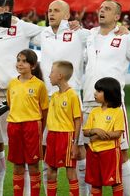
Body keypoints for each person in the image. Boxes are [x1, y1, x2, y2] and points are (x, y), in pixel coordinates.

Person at [0, 0, 43, 196]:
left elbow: (51, 37)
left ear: (6, 8)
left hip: (18, 95)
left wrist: (70, 27)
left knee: (23, 151)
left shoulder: (23, 27)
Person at [81, 0, 130, 196]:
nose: (101, 11)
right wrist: (71, 24)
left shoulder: (125, 38)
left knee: (122, 153)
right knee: (90, 152)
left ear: (117, 16)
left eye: (107, 9)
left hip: (114, 105)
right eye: (100, 8)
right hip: (89, 103)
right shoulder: (89, 36)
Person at [37, 0, 89, 194]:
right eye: (49, 10)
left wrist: (122, 30)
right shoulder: (43, 33)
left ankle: (83, 192)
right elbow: (18, 27)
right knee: (46, 151)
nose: (51, 13)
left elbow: (100, 34)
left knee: (79, 150)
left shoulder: (78, 33)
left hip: (70, 98)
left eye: (56, 10)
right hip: (49, 100)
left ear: (67, 15)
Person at [6, 49, 49, 196]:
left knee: (33, 165)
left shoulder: (39, 85)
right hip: (14, 126)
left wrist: (40, 129)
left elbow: (44, 111)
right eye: (18, 60)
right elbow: (11, 105)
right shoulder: (12, 83)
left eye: (24, 61)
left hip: (32, 126)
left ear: (33, 65)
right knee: (17, 165)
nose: (20, 64)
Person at [82, 77, 125, 196]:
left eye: (99, 91)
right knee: (95, 183)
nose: (95, 93)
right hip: (93, 152)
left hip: (110, 152)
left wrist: (98, 136)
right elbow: (85, 131)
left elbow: (117, 133)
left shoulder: (117, 112)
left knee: (115, 182)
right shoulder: (94, 111)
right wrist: (95, 131)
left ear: (109, 93)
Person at [45, 60, 82, 196]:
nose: (49, 75)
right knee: (50, 171)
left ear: (60, 75)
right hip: (52, 136)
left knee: (70, 172)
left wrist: (75, 143)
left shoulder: (72, 95)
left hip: (66, 137)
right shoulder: (54, 96)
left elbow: (78, 120)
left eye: (52, 72)